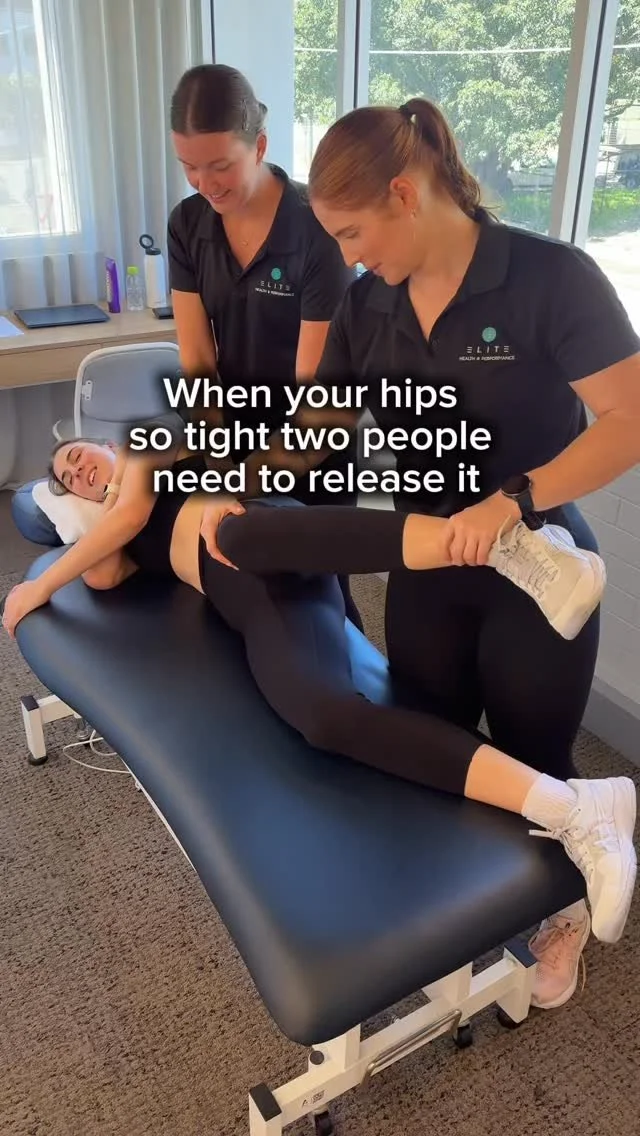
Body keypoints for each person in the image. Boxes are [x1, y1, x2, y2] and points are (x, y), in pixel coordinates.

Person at [203, 96, 640, 1012]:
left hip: (539, 569)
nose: (349, 256)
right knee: (436, 744)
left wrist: (516, 498)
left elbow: (629, 419)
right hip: (428, 569)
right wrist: (237, 474)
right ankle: (466, 912)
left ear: (405, 193)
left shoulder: (549, 277)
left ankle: (559, 914)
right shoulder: (369, 305)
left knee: (536, 755)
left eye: (353, 233)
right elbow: (321, 428)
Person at [1, 436, 637, 957]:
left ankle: (504, 545)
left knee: (239, 535)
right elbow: (104, 572)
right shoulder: (112, 528)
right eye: (67, 479)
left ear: (103, 443)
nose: (78, 472)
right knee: (323, 718)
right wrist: (79, 514)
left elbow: (134, 513)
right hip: (262, 600)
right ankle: (573, 805)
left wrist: (39, 586)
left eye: (78, 455)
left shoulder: (143, 452)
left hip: (263, 535)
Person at [166, 62, 362, 627]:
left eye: (220, 165)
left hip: (313, 444)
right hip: (234, 432)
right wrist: (218, 465)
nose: (206, 184)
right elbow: (198, 360)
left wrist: (240, 482)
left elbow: (316, 399)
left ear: (259, 146)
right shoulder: (188, 225)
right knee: (247, 595)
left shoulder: (315, 231)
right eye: (189, 167)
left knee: (323, 603)